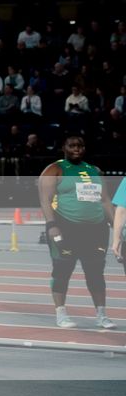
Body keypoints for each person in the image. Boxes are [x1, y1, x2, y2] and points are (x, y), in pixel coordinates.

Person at [37, 133, 113, 329]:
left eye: (80, 145)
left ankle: (101, 315)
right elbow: (44, 200)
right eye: (72, 146)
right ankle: (61, 313)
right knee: (62, 271)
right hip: (66, 227)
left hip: (96, 230)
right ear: (64, 147)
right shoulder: (55, 169)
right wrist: (51, 225)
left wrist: (118, 226)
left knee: (96, 273)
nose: (76, 149)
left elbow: (105, 200)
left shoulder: (94, 170)